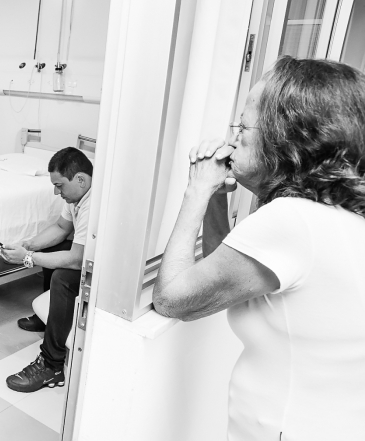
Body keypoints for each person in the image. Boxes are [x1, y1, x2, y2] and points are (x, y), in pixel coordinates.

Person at [153, 56, 365, 440]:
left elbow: (172, 298)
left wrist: (197, 189)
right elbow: (226, 275)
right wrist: (218, 199)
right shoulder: (334, 217)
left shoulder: (293, 221)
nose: (232, 137)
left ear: (287, 136)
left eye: (243, 126)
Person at [0, 147, 93, 393]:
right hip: (88, 258)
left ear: (80, 180)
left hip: (106, 270)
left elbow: (76, 260)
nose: (56, 191)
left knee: (63, 277)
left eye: (60, 185)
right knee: (55, 249)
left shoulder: (93, 204)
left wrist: (28, 258)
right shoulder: (77, 197)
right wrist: (28, 245)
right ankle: (49, 320)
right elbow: (61, 228)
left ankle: (52, 365)